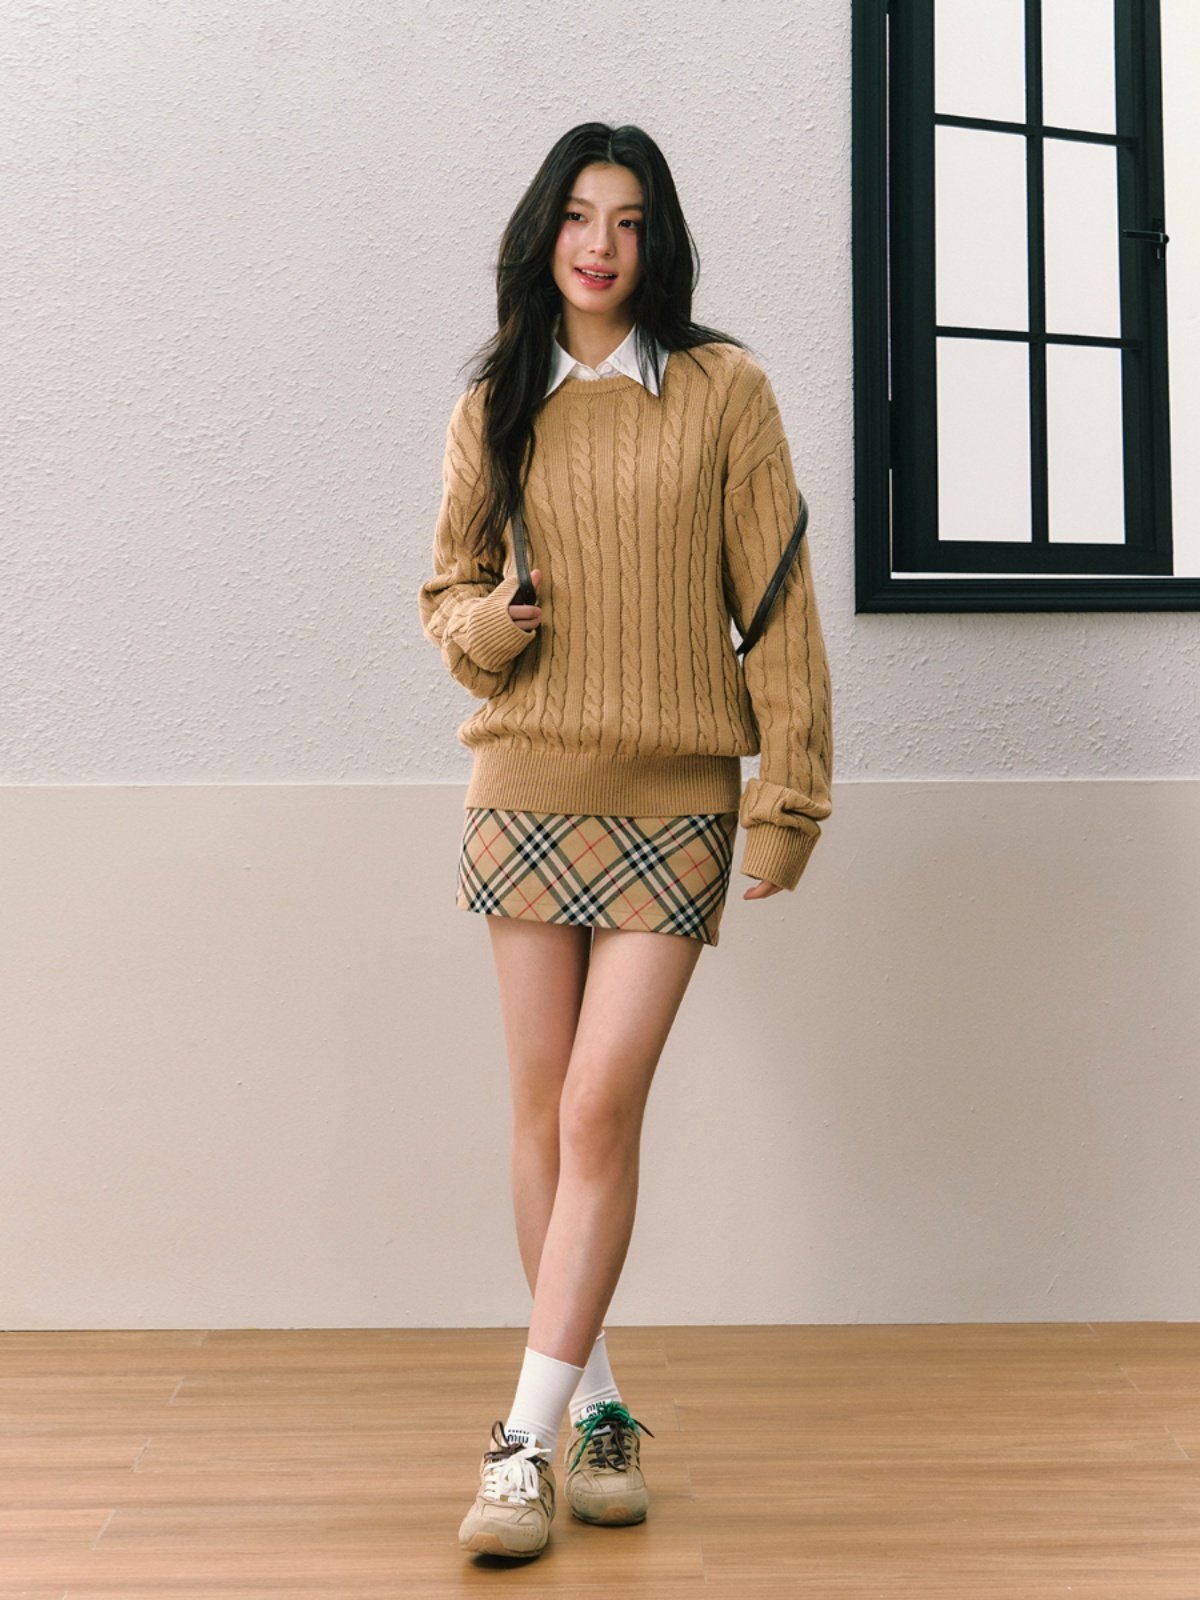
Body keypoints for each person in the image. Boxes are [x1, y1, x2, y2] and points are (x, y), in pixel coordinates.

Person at [417, 121, 833, 1561]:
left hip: (676, 797)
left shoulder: (725, 392)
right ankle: (592, 1405)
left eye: (632, 220)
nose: (602, 244)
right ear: (545, 233)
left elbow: (778, 607)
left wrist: (788, 801)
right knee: (543, 1112)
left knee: (600, 1108)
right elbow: (447, 598)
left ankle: (517, 1447)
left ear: (661, 242)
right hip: (524, 785)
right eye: (581, 216)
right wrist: (493, 623)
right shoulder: (497, 401)